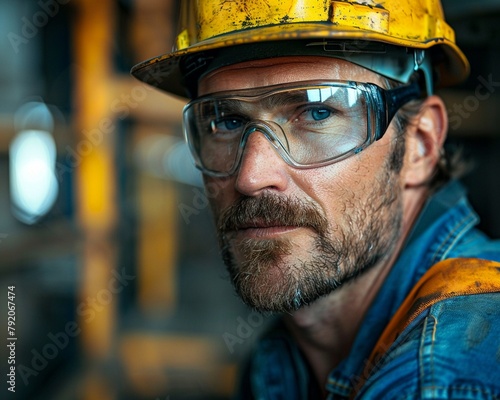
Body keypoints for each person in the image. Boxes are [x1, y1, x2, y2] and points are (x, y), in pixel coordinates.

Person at [131, 0, 500, 398]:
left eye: (317, 113)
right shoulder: (284, 357)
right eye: (227, 120)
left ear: (420, 146)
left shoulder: (448, 378)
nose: (251, 177)